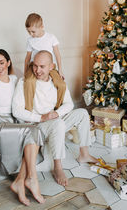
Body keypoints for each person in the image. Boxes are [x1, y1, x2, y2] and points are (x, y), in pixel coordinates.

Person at [12, 50, 98, 187]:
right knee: (58, 124)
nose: (37, 70)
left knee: (82, 113)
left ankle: (84, 154)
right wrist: (41, 117)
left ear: (51, 66)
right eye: (35, 65)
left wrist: (56, 114)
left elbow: (69, 104)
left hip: (54, 119)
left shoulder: (57, 81)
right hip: (37, 125)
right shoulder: (24, 82)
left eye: (42, 66)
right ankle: (58, 166)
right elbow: (16, 110)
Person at [0, 49, 45, 206]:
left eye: (2, 63)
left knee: (34, 130)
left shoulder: (16, 79)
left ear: (8, 63)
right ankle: (30, 179)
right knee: (32, 131)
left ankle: (21, 180)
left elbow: (34, 75)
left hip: (13, 121)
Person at [24, 13, 66, 112]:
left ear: (42, 27)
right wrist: (25, 72)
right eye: (29, 32)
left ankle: (57, 108)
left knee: (62, 85)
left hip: (49, 66)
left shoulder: (51, 38)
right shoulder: (30, 40)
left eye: (33, 32)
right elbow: (27, 58)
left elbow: (57, 55)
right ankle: (29, 109)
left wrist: (60, 70)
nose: (31, 34)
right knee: (29, 82)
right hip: (34, 66)